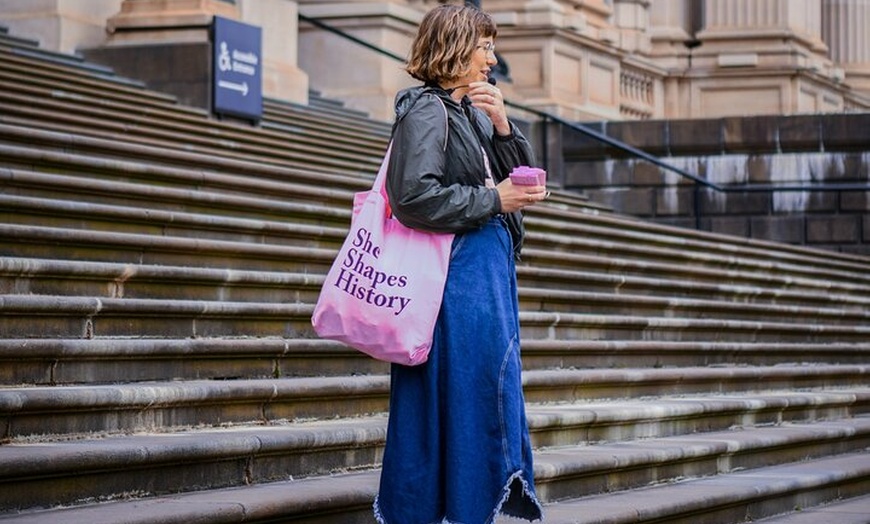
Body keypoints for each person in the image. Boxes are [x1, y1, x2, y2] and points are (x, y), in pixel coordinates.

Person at [373, 4, 547, 524]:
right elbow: (411, 196)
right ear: (455, 49)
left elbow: (520, 183)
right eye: (485, 47)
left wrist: (502, 125)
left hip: (483, 280)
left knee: (482, 395)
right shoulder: (427, 110)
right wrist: (494, 201)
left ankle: (469, 508)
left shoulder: (468, 112)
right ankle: (454, 510)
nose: (492, 59)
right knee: (467, 398)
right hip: (455, 285)